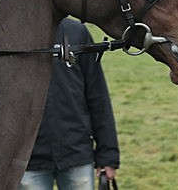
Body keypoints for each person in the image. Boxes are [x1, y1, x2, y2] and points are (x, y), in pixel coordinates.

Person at [20, 18, 120, 190]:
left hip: (76, 154)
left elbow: (97, 96)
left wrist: (107, 155)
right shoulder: (15, 33)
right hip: (28, 160)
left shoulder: (77, 32)